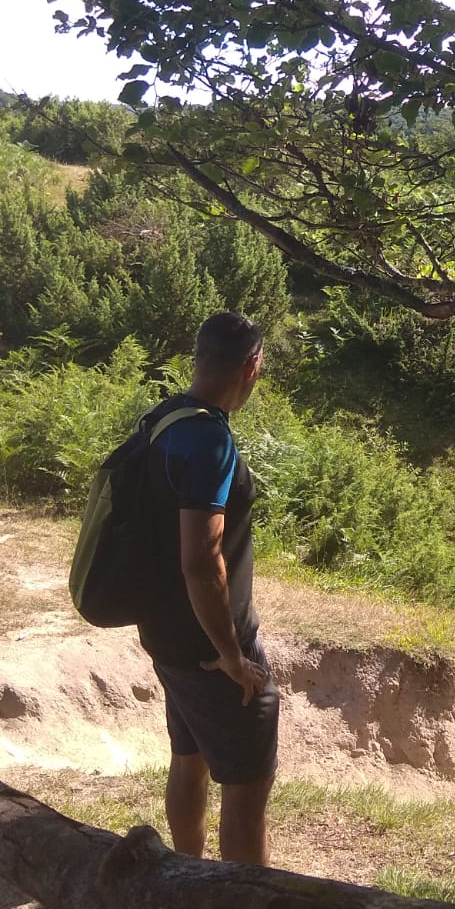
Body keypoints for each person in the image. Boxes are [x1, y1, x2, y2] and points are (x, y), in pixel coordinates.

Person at [138, 311, 277, 865]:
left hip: (167, 630)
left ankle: (189, 881)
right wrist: (232, 654)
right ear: (252, 365)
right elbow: (203, 560)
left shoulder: (164, 417)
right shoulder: (209, 441)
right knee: (247, 789)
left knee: (189, 756)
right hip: (208, 646)